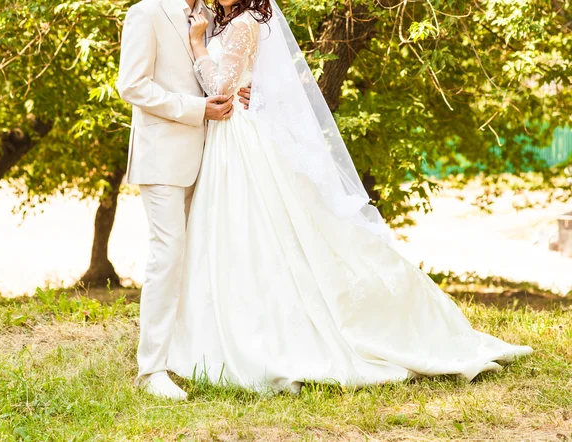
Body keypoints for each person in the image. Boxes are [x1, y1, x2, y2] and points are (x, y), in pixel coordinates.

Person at [165, 0, 533, 397]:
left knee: (268, 233)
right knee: (239, 238)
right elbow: (240, 84)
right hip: (228, 139)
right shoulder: (225, 21)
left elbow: (220, 90)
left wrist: (199, 45)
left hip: (239, 140)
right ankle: (224, 329)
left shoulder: (244, 22)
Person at [116, 0, 252, 399]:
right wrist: (198, 109)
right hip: (162, 156)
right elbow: (132, 85)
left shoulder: (211, 15)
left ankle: (186, 352)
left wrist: (243, 89)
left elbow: (217, 74)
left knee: (195, 256)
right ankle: (152, 369)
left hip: (209, 156)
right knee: (168, 254)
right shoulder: (146, 11)